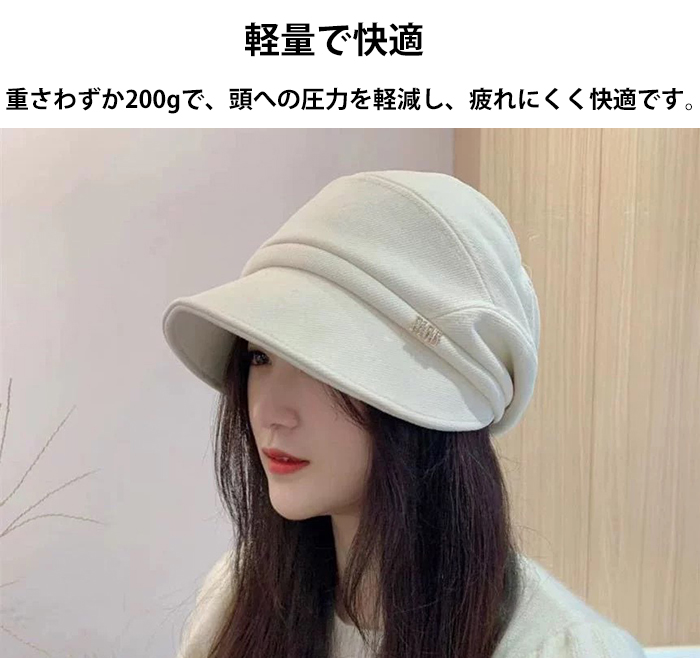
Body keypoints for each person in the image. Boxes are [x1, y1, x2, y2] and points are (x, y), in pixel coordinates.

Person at [162, 170, 645, 658]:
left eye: (320, 365)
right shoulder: (237, 599)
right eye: (259, 356)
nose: (269, 412)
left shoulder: (563, 648)